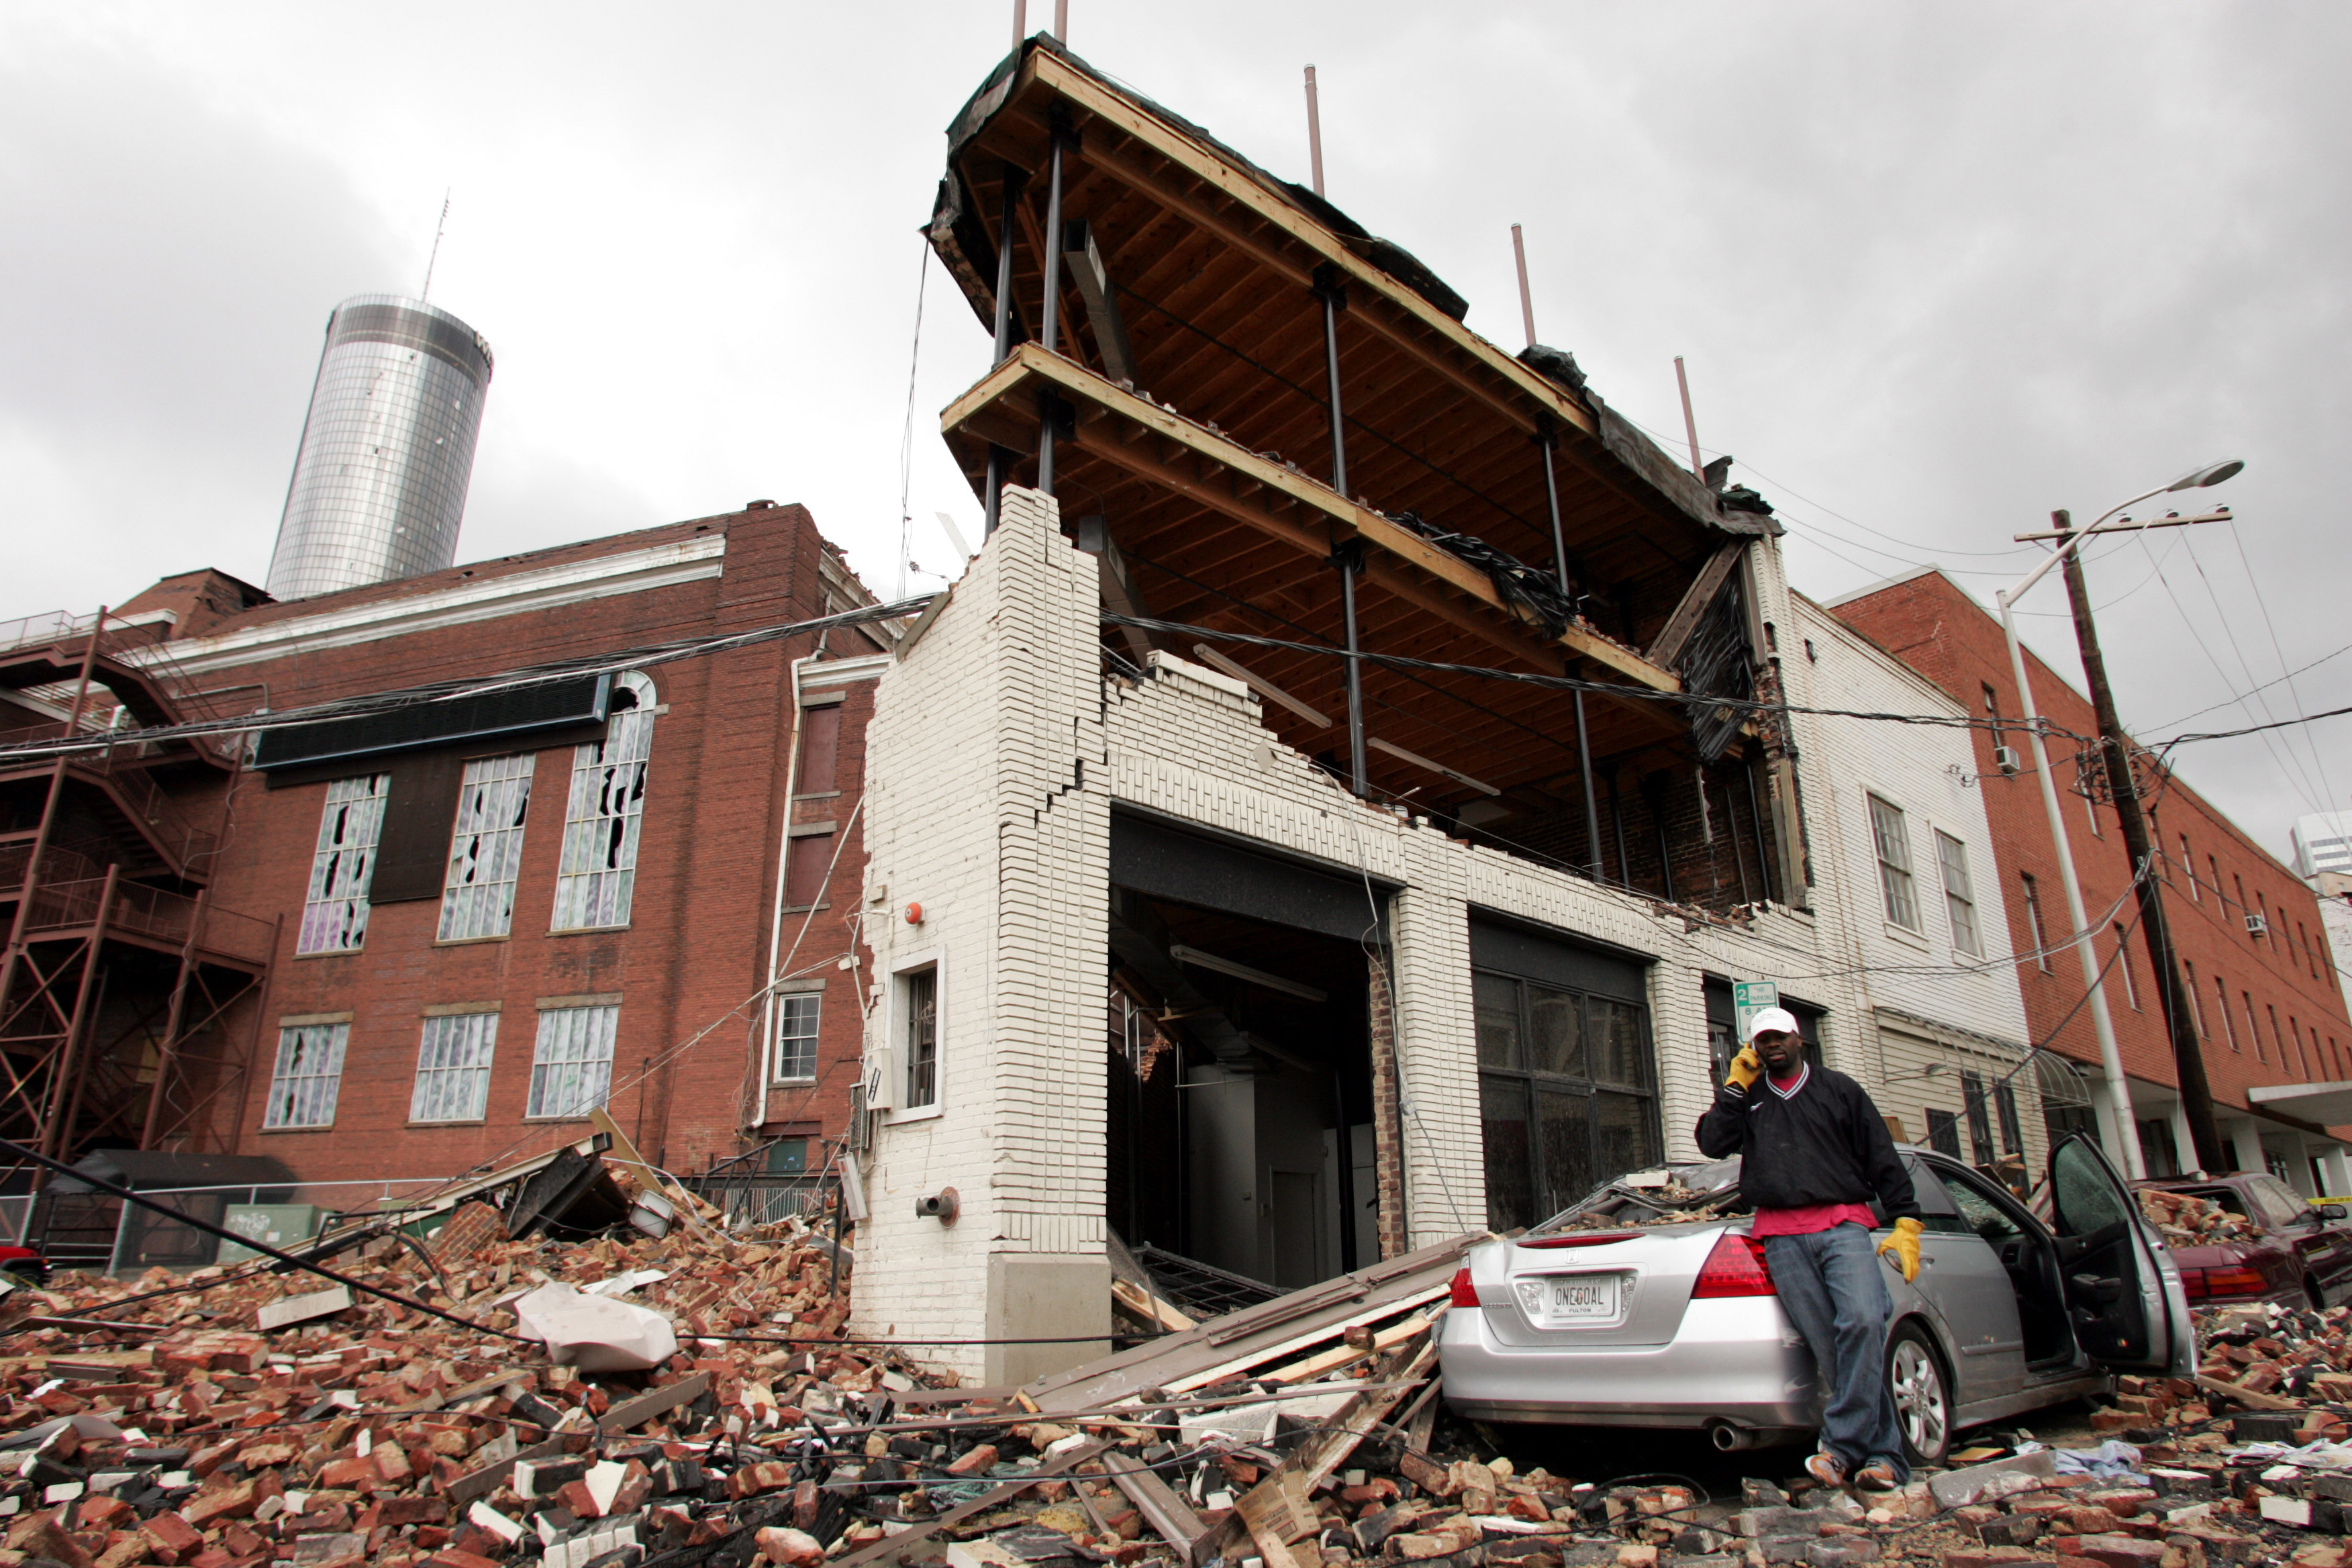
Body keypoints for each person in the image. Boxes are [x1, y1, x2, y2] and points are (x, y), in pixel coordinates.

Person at [1695, 1007, 1924, 1490]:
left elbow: (1879, 1151)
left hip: (1842, 1225)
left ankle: (1839, 1447)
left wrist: (1906, 1217)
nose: (1772, 1045)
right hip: (1781, 1237)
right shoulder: (1751, 1098)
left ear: (1799, 1040)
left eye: (1780, 1037)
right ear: (1754, 1049)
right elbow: (1713, 1144)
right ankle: (1883, 1460)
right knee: (1831, 1349)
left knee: (1862, 1321)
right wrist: (1735, 1089)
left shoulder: (1839, 1089)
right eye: (1763, 1040)